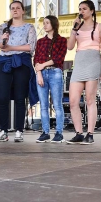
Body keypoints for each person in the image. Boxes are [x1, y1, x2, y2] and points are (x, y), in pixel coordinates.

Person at [0, 0, 38, 142]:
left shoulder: (29, 27)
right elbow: (1, 46)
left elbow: (30, 47)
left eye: (18, 8)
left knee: (20, 97)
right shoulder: (3, 27)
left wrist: (12, 47)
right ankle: (3, 130)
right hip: (5, 62)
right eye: (12, 8)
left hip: (21, 62)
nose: (15, 10)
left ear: (23, 11)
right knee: (3, 97)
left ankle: (19, 130)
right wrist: (4, 40)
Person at [66, 0, 101, 145]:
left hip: (93, 59)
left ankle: (90, 133)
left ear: (92, 11)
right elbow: (70, 47)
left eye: (84, 9)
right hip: (79, 61)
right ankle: (78, 133)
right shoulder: (77, 28)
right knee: (73, 101)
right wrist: (73, 29)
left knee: (90, 99)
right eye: (80, 9)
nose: (81, 11)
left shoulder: (99, 27)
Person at [34, 15, 67, 143]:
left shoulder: (61, 40)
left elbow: (60, 58)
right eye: (44, 23)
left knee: (57, 104)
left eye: (47, 23)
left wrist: (43, 65)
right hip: (42, 74)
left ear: (53, 24)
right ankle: (45, 132)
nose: (44, 25)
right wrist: (39, 73)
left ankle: (59, 133)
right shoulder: (40, 42)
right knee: (43, 105)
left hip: (55, 73)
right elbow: (36, 59)